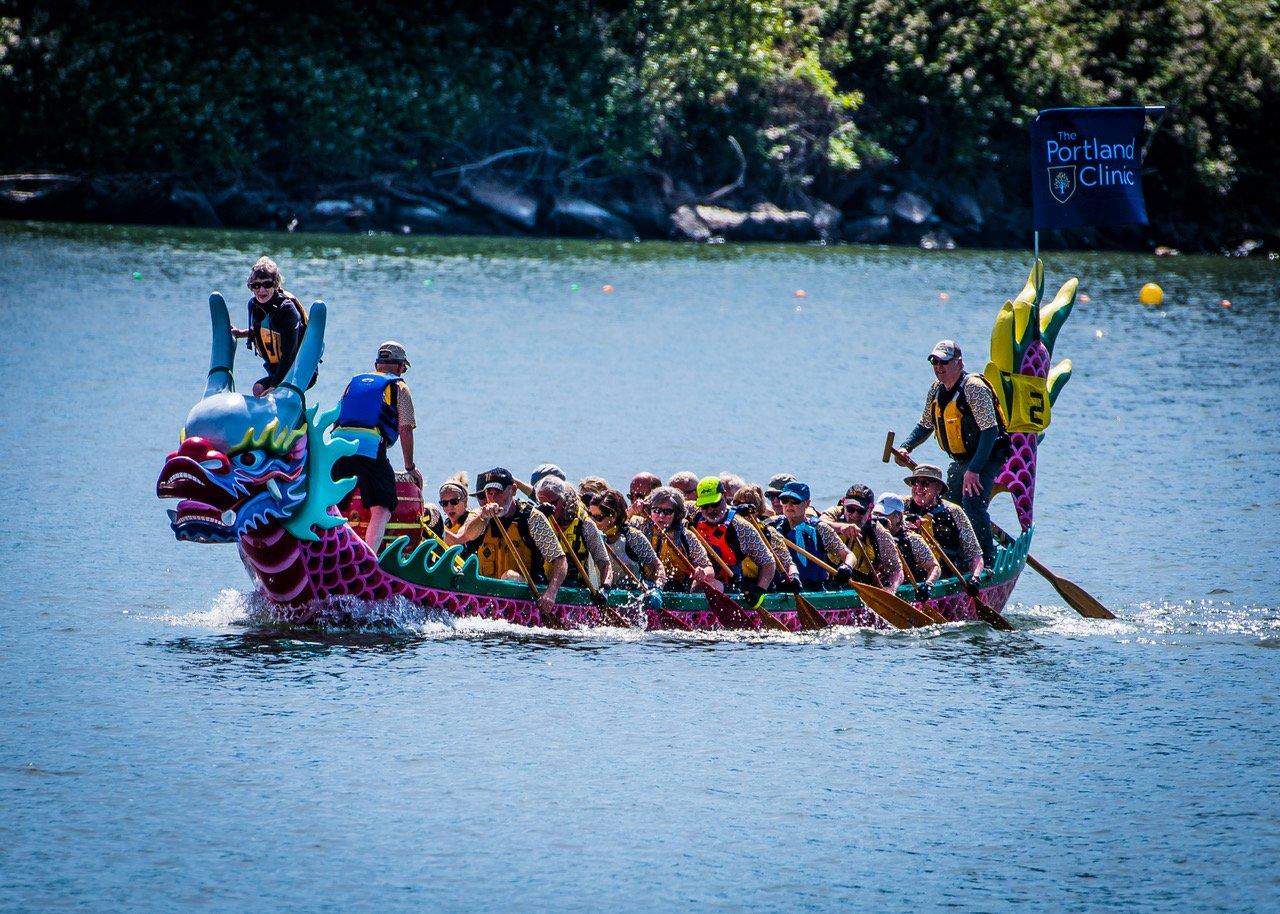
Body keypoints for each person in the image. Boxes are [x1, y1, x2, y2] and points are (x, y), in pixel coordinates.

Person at [894, 339, 1010, 565]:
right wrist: (906, 446)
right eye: (935, 362)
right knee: (948, 506)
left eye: (944, 362)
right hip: (961, 459)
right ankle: (955, 558)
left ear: (959, 362)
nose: (939, 367)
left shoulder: (974, 388)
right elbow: (926, 424)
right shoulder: (936, 390)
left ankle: (987, 560)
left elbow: (990, 431)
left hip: (987, 454)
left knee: (972, 501)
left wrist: (975, 469)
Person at [332, 341, 421, 550]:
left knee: (335, 503)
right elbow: (405, 429)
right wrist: (410, 467)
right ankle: (368, 556)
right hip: (370, 449)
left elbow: (338, 417)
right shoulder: (399, 386)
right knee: (382, 507)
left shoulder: (353, 383)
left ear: (376, 364)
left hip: (338, 446)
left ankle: (331, 549)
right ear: (400, 367)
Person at [459, 467, 568, 613]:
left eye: (499, 492)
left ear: (513, 490)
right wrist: (483, 517)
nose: (493, 498)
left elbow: (559, 559)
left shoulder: (532, 518)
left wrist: (551, 593)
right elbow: (468, 535)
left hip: (526, 593)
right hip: (487, 592)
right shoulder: (480, 514)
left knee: (510, 576)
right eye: (489, 493)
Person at [230, 256, 314, 397]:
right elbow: (262, 331)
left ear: (276, 285)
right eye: (256, 285)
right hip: (275, 369)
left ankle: (299, 415)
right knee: (258, 389)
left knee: (272, 394)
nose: (261, 290)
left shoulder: (286, 310)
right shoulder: (254, 305)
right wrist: (241, 333)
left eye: (267, 284)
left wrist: (275, 386)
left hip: (299, 369)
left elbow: (290, 352)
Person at [690, 476, 776, 603]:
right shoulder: (693, 513)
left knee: (710, 584)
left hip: (730, 585)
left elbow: (768, 562)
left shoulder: (742, 528)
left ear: (725, 496)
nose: (710, 510)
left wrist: (760, 590)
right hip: (697, 578)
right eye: (704, 506)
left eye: (714, 504)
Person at [768, 481, 858, 591]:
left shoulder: (820, 528)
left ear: (807, 503)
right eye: (785, 500)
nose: (789, 505)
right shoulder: (772, 527)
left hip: (815, 589)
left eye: (795, 501)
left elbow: (849, 555)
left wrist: (847, 567)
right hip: (783, 589)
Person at [902, 464, 984, 581]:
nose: (919, 487)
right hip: (907, 575)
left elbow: (975, 555)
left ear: (938, 488)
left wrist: (975, 578)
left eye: (925, 483)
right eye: (915, 482)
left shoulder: (954, 512)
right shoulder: (901, 506)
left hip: (943, 578)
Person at [534, 475, 613, 594]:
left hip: (573, 588)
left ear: (564, 500)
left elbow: (604, 562)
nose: (548, 507)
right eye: (542, 503)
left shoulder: (585, 524)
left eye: (553, 503)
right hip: (541, 585)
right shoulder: (536, 518)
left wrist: (605, 590)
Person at [823, 484, 903, 589]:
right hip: (827, 583)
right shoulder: (834, 514)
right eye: (850, 509)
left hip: (860, 587)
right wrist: (841, 527)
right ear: (844, 504)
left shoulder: (879, 533)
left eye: (861, 511)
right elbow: (818, 523)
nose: (854, 515)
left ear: (870, 510)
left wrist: (891, 589)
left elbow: (897, 570)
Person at [637, 486, 715, 592]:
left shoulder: (686, 537)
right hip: (643, 584)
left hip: (676, 587)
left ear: (677, 514)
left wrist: (703, 573)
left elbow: (709, 568)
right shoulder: (640, 526)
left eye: (667, 512)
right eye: (656, 510)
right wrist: (633, 509)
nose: (661, 516)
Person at [589, 489, 662, 587]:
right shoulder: (588, 533)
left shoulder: (633, 537)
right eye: (590, 515)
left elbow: (657, 566)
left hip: (627, 595)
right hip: (597, 593)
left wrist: (657, 587)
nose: (592, 521)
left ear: (613, 516)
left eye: (598, 517)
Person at [731, 485, 798, 588]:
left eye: (747, 506)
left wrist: (794, 576)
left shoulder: (769, 532)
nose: (742, 511)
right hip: (737, 583)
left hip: (761, 585)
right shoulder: (729, 529)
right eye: (738, 505)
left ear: (757, 510)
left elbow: (788, 563)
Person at [875, 493, 940, 599]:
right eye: (876, 514)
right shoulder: (873, 533)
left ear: (898, 516)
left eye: (884, 515)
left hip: (908, 587)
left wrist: (928, 585)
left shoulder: (912, 540)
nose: (878, 519)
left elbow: (934, 567)